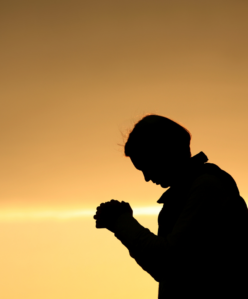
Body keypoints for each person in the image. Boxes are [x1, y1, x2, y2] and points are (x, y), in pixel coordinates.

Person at [94, 114, 248, 299]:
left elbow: (166, 262)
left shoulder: (207, 188)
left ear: (164, 152)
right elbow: (164, 272)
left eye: (146, 166)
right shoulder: (186, 194)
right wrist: (121, 223)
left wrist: (121, 222)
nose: (147, 178)